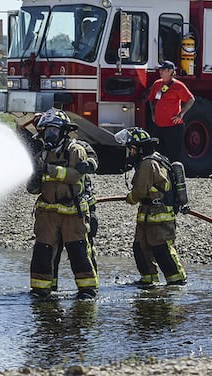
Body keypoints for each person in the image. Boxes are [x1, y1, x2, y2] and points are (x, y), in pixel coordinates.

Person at [26, 108, 98, 299]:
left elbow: (75, 176)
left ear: (63, 131)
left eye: (53, 130)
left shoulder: (75, 150)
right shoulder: (43, 153)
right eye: (47, 130)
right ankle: (41, 289)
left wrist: (48, 169)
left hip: (72, 213)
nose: (49, 134)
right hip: (48, 213)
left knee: (78, 251)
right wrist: (34, 177)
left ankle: (87, 290)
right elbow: (34, 188)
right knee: (43, 251)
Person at [114, 127, 187, 287]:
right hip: (147, 214)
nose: (130, 153)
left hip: (159, 215)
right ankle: (148, 280)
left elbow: (139, 191)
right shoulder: (151, 160)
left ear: (140, 149)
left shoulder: (148, 163)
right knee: (140, 247)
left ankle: (177, 281)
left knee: (161, 249)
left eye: (132, 149)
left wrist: (130, 198)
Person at [147, 60, 195, 162]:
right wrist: (153, 114)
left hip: (173, 127)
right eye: (160, 70)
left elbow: (191, 99)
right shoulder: (157, 84)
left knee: (172, 156)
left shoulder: (178, 86)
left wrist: (181, 114)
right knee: (157, 154)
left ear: (170, 71)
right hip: (158, 127)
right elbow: (151, 100)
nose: (160, 72)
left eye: (163, 70)